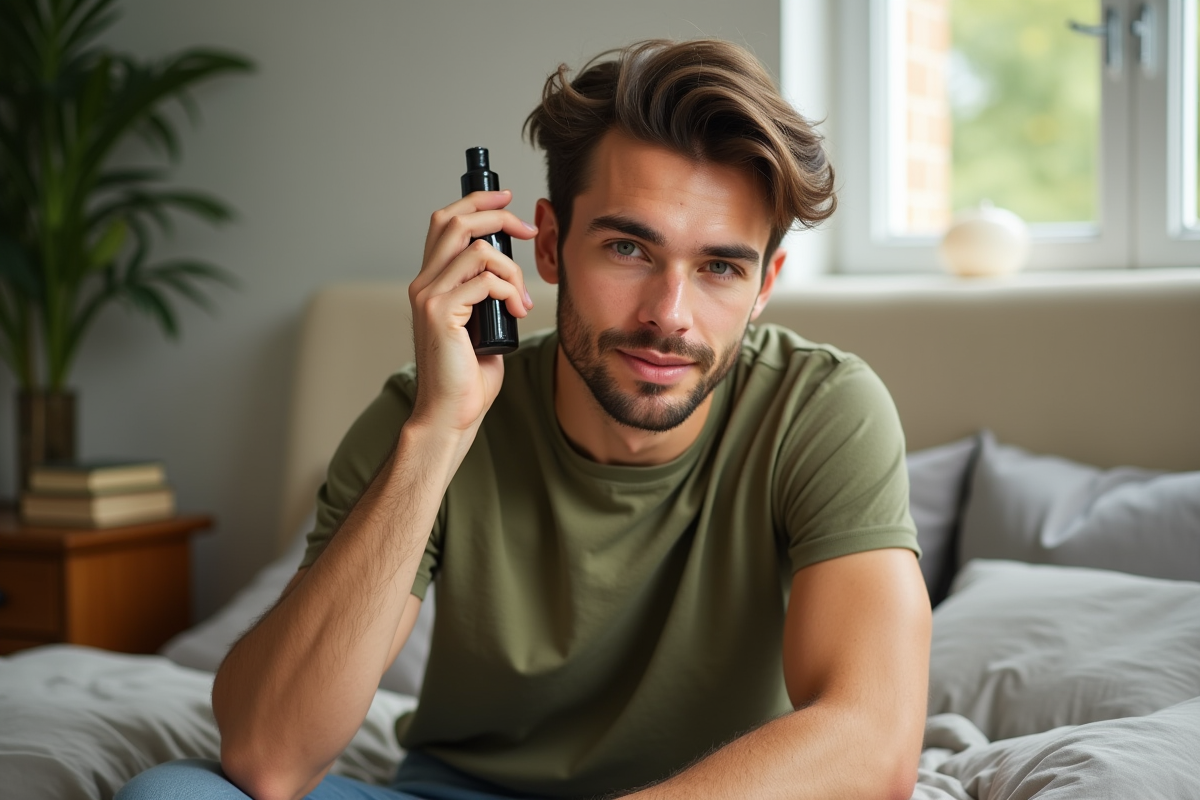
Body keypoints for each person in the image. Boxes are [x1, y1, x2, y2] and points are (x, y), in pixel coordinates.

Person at [118, 38, 930, 800]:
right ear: (546, 245)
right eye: (628, 249)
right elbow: (268, 755)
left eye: (720, 266)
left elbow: (873, 738)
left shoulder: (821, 408)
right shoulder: (425, 408)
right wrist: (439, 432)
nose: (669, 315)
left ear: (764, 285)